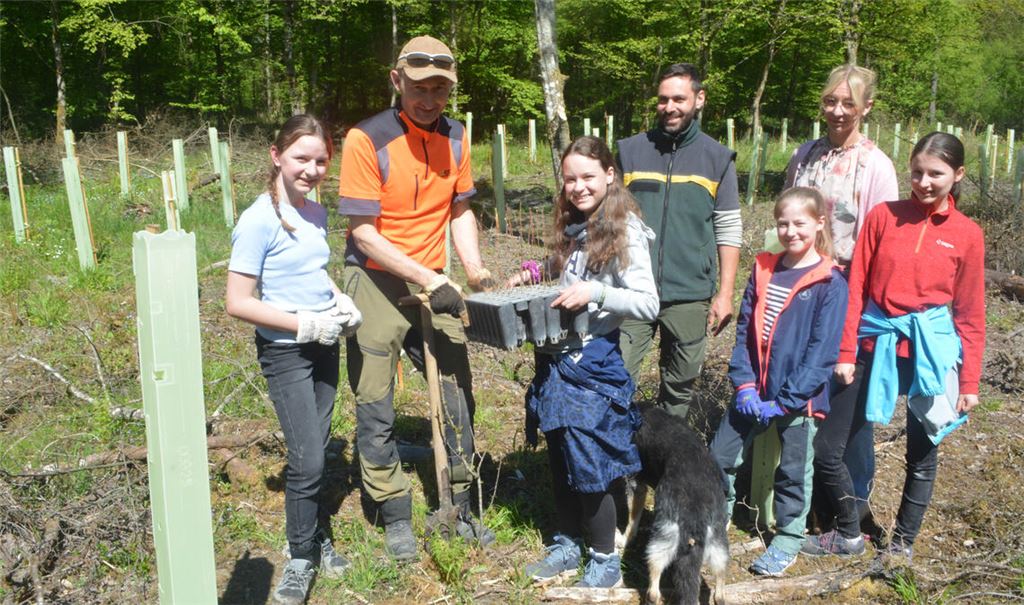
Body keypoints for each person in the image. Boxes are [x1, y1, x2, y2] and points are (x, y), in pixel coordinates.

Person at [336, 35, 494, 562]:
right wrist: (428, 281)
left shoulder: (456, 135)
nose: (430, 99)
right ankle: (394, 511)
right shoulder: (367, 139)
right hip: (377, 279)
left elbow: (460, 209)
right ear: (397, 81)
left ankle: (462, 503)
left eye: (440, 90)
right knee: (375, 399)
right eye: (420, 87)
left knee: (456, 392)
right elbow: (363, 232)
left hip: (436, 280)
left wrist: (471, 268)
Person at [803, 132, 985, 562]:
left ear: (957, 175)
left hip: (931, 352)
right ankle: (848, 531)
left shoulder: (968, 234)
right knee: (829, 447)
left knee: (921, 453)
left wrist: (969, 379)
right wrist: (846, 353)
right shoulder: (884, 217)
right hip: (873, 340)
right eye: (917, 171)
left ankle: (901, 544)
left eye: (936, 174)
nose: (923, 182)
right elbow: (857, 288)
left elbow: (970, 313)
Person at [225, 114, 362, 605]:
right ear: (276, 156)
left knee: (319, 444)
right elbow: (238, 301)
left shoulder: (315, 212)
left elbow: (311, 272)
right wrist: (303, 323)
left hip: (325, 343)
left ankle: (314, 532)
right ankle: (301, 553)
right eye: (302, 158)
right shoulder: (258, 219)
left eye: (322, 160)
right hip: (286, 351)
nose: (312, 169)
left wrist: (334, 302)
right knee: (304, 458)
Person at [516, 136, 658, 589]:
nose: (578, 187)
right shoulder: (577, 225)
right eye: (570, 178)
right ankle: (564, 542)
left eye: (588, 177)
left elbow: (647, 302)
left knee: (591, 463)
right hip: (557, 362)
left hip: (593, 364)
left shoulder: (625, 230)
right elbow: (571, 275)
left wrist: (596, 293)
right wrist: (539, 272)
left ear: (610, 175)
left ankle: (604, 559)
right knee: (560, 456)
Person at [710, 187, 848, 576]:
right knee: (720, 456)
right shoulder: (764, 267)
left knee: (791, 472)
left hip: (798, 401)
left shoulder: (830, 281)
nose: (790, 231)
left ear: (819, 223)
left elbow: (821, 353)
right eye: (782, 223)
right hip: (753, 391)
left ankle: (788, 538)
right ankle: (715, 520)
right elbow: (743, 332)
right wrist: (745, 384)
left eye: (799, 223)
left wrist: (786, 400)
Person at [785, 65, 899, 536]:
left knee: (849, 406)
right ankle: (806, 500)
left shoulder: (876, 166)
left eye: (847, 104)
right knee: (807, 390)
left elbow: (881, 245)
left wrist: (858, 311)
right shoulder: (804, 156)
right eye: (830, 101)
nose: (836, 111)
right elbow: (789, 218)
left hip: (853, 292)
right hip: (806, 284)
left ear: (865, 108)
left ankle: (852, 508)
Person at [616, 62, 742, 421]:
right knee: (617, 375)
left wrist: (724, 293)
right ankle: (621, 459)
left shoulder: (717, 159)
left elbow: (728, 228)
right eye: (662, 99)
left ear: (699, 99)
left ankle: (666, 460)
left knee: (679, 386)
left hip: (689, 292)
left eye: (679, 99)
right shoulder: (630, 151)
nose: (669, 107)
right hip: (632, 288)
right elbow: (606, 218)